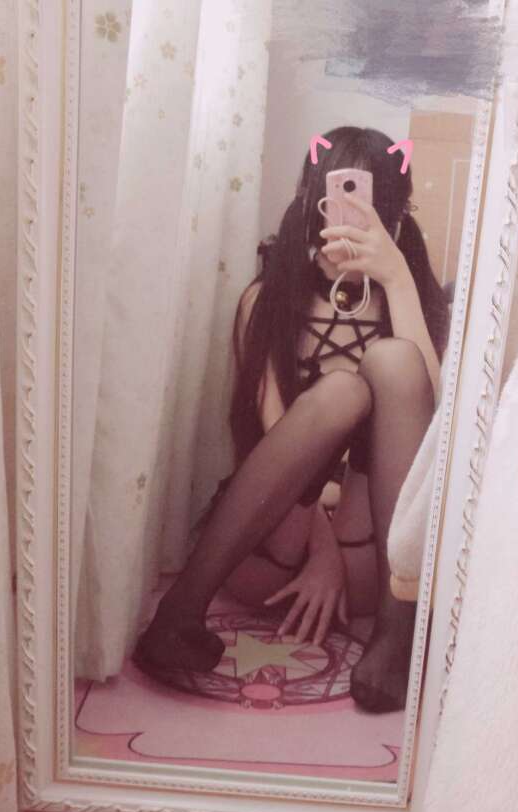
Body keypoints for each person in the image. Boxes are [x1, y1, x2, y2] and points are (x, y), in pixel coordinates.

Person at [134, 126, 450, 713]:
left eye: (368, 209)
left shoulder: (418, 303)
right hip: (272, 546)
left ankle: (397, 635)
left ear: (393, 217)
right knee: (340, 393)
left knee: (393, 361)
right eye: (336, 203)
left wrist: (396, 278)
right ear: (311, 202)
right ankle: (178, 616)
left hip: (374, 560)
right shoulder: (267, 300)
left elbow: (437, 435)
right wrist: (322, 556)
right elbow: (270, 435)